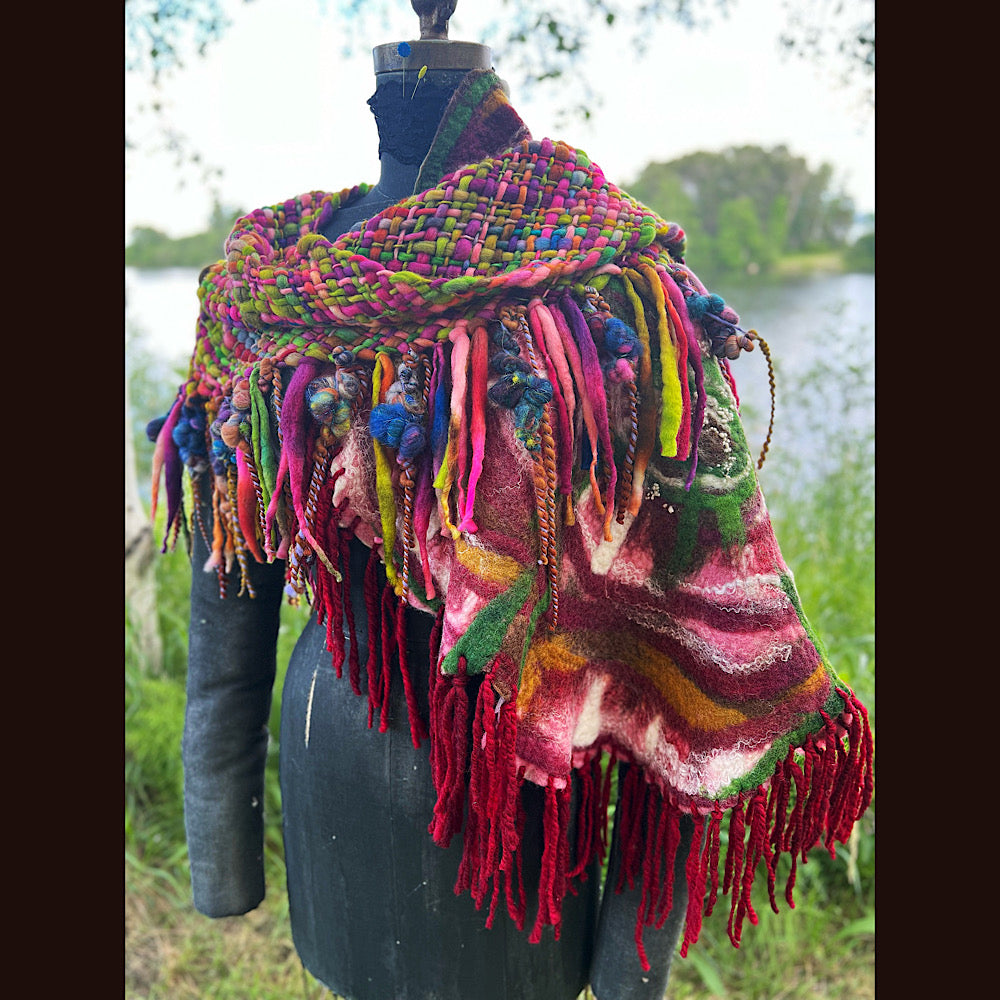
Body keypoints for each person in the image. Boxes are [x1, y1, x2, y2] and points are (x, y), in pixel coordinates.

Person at [152, 4, 872, 998]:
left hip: (522, 787)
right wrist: (222, 848)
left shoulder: (611, 282)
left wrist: (632, 959)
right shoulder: (264, 293)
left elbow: (674, 644)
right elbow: (227, 609)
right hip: (352, 769)